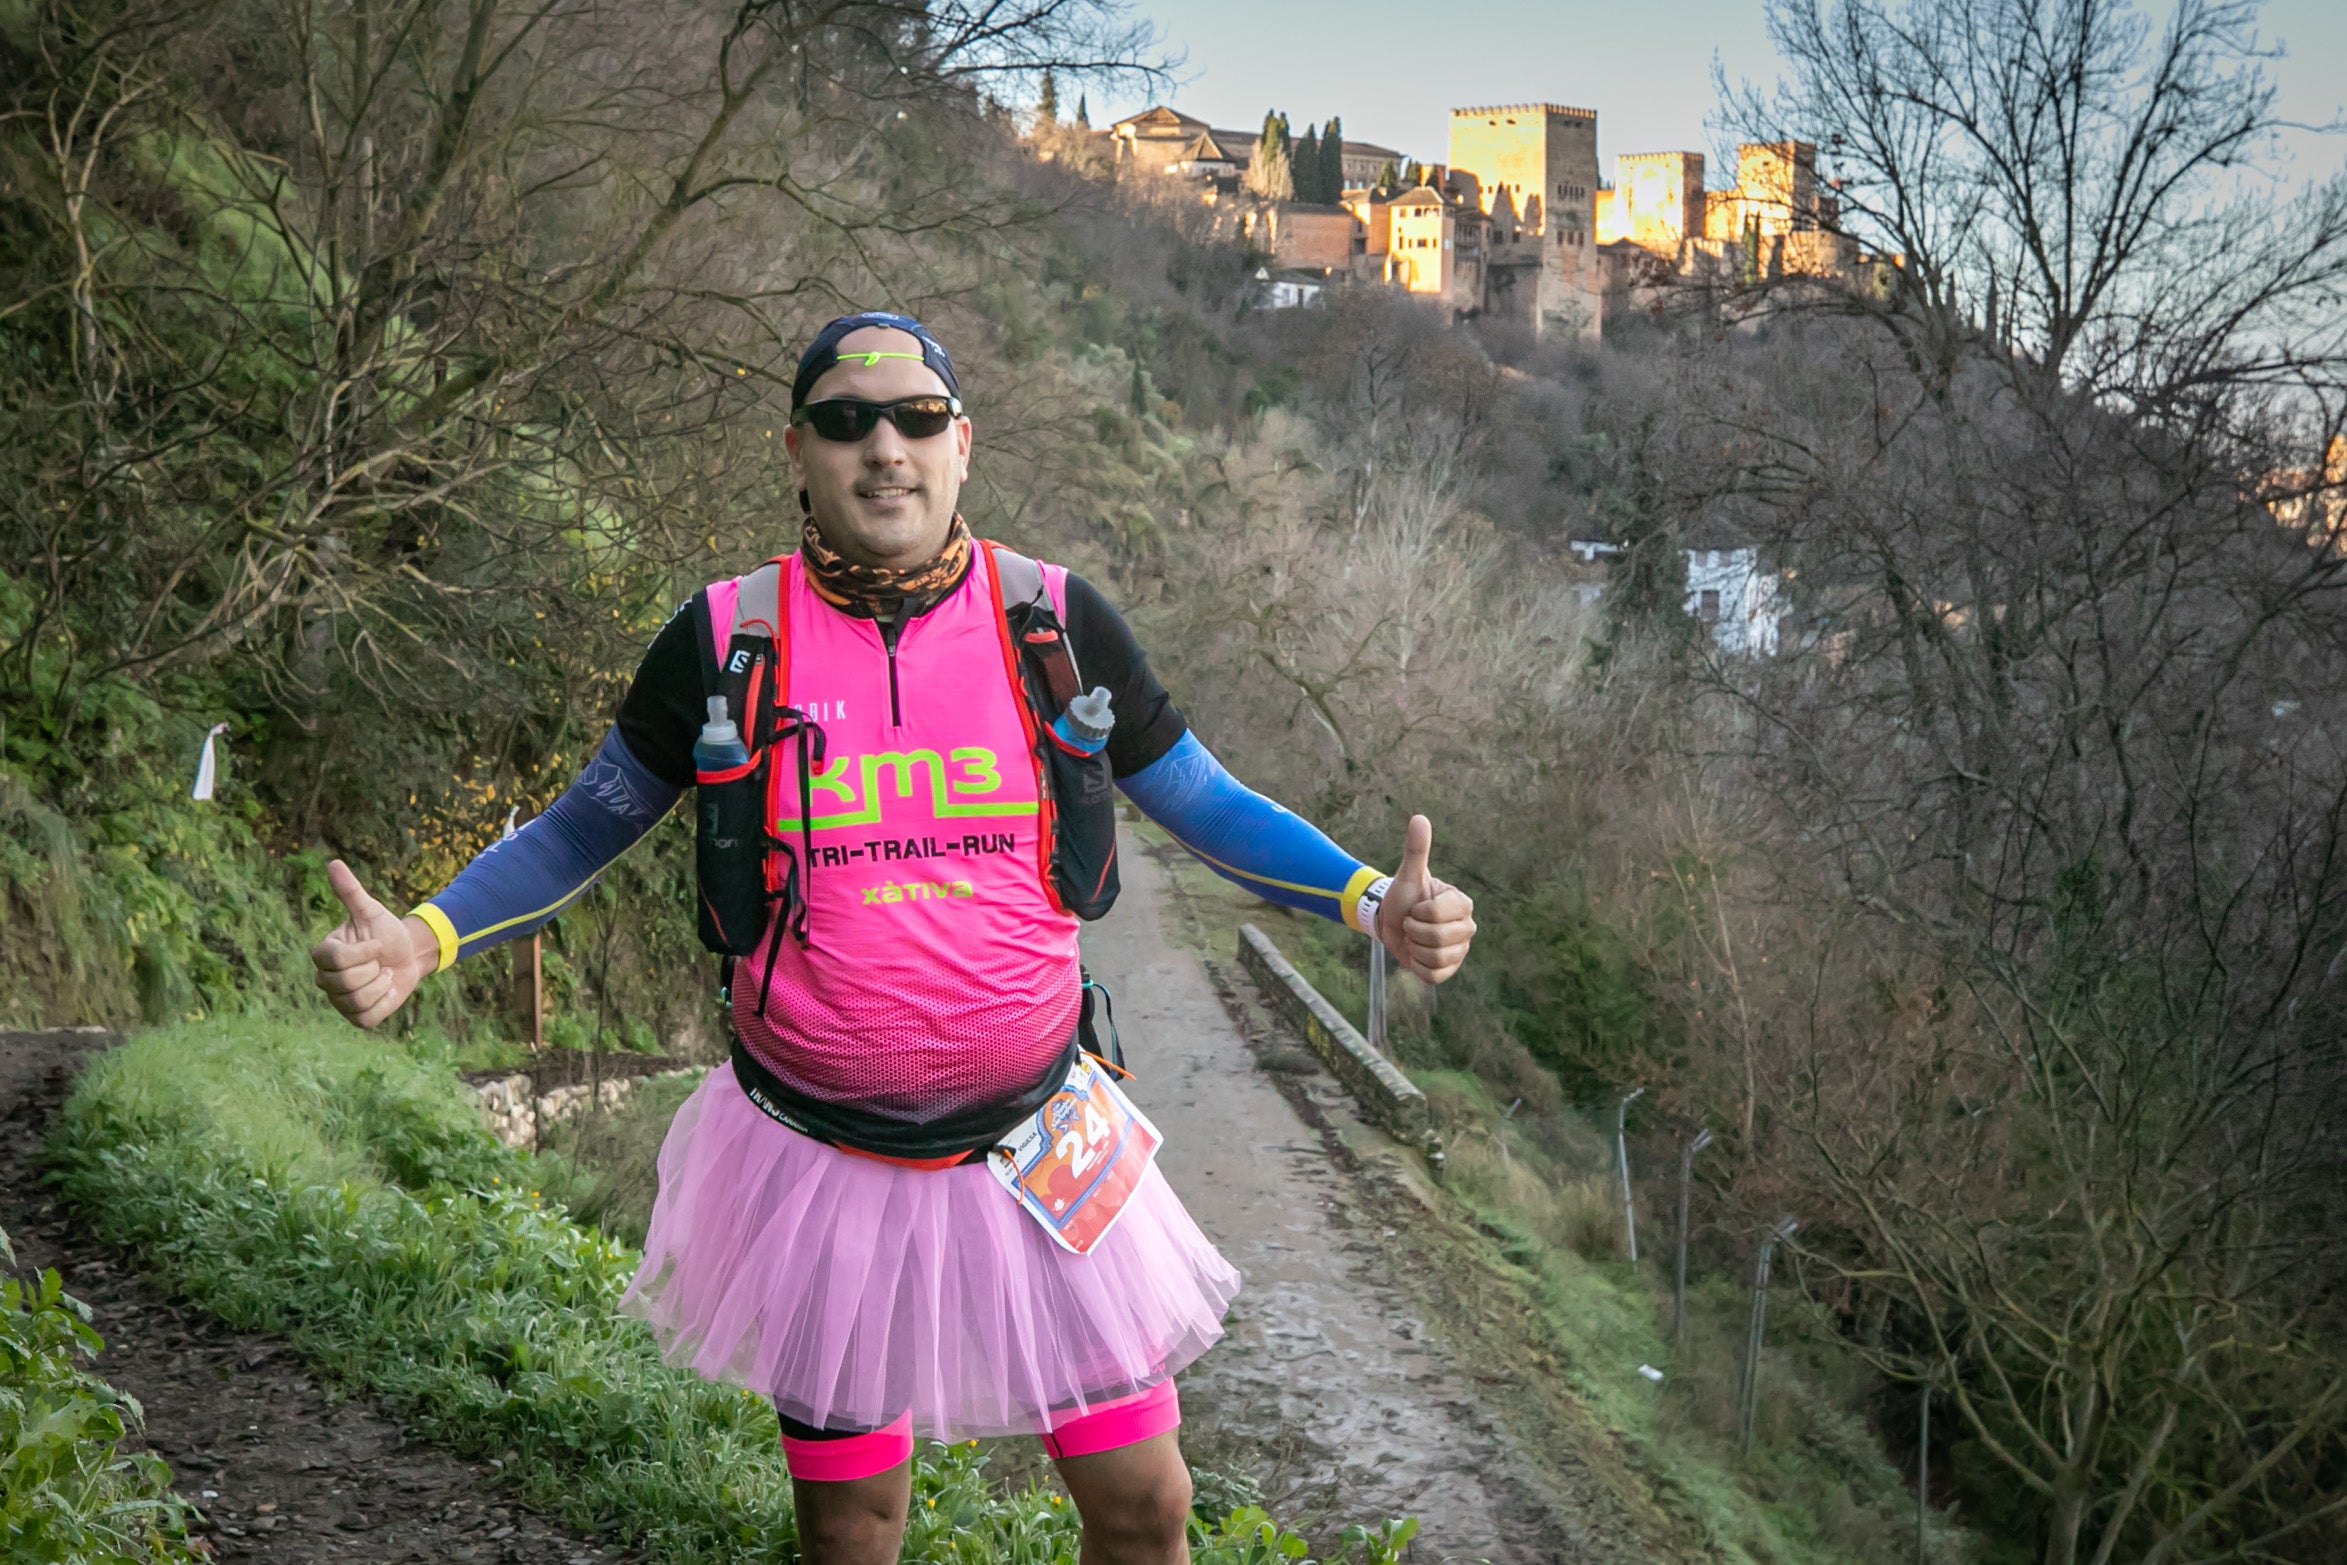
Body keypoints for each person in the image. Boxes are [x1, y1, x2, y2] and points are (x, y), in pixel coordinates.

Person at [310, 312, 1477, 1565]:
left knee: (1147, 1508)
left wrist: (1370, 900)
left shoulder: (1057, 620)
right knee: (854, 1531)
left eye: (918, 418)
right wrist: (429, 936)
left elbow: (1200, 796)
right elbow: (581, 827)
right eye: (847, 421)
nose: (885, 447)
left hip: (1046, 1137)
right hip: (817, 1161)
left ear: (962, 444)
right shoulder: (722, 639)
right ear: (799, 452)